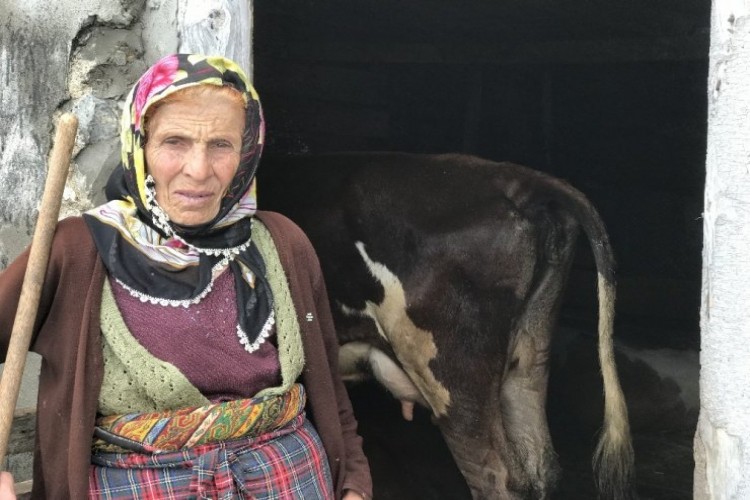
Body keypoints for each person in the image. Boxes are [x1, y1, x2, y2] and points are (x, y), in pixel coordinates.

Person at [0, 53, 372, 499]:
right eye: (174, 142)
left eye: (221, 145)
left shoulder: (282, 244)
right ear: (139, 144)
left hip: (289, 480)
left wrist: (352, 483)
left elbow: (329, 387)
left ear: (247, 151)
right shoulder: (74, 250)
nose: (198, 170)